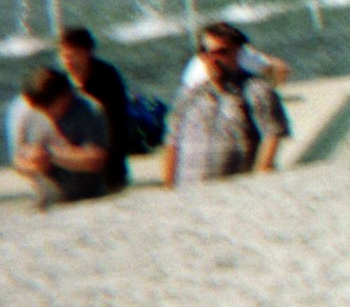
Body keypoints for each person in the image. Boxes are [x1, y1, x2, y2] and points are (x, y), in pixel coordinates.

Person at [163, 22, 289, 187]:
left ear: (237, 53)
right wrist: (168, 187)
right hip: (188, 191)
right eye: (207, 53)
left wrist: (259, 181)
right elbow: (172, 142)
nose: (213, 59)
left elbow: (272, 136)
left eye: (222, 52)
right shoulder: (188, 95)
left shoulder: (255, 91)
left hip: (234, 191)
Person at [11, 67, 113, 208]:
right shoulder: (25, 112)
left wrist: (50, 155)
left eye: (50, 107)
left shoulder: (90, 110)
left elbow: (96, 160)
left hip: (89, 200)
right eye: (41, 109)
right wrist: (33, 164)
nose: (46, 113)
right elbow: (18, 161)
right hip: (45, 201)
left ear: (66, 96)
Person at [59, 27, 134, 191]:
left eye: (73, 55)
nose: (68, 62)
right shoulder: (61, 82)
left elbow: (118, 125)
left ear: (87, 53)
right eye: (64, 56)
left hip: (107, 154)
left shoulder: (107, 78)